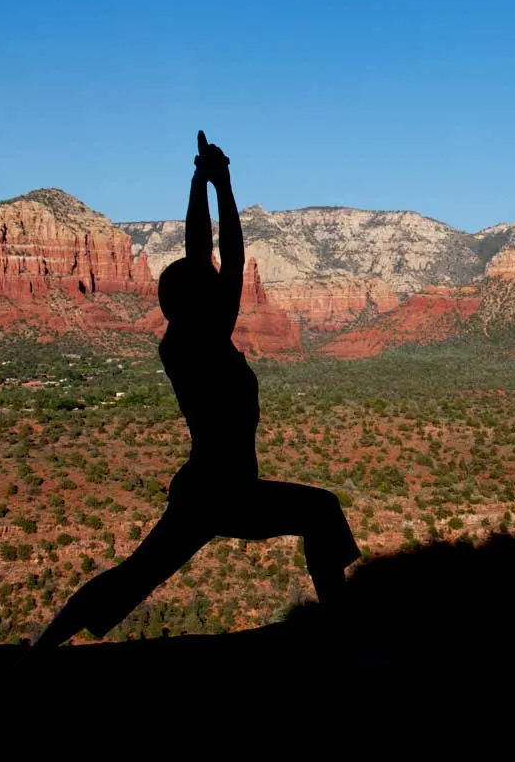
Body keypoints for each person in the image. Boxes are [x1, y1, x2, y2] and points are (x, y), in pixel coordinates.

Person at [32, 131, 360, 650]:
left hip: (216, 488)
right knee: (318, 513)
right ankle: (342, 629)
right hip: (220, 492)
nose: (219, 284)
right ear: (194, 301)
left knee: (138, 574)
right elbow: (221, 255)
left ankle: (45, 645)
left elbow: (211, 257)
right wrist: (218, 184)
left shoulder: (190, 338)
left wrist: (203, 181)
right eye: (204, 284)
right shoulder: (197, 342)